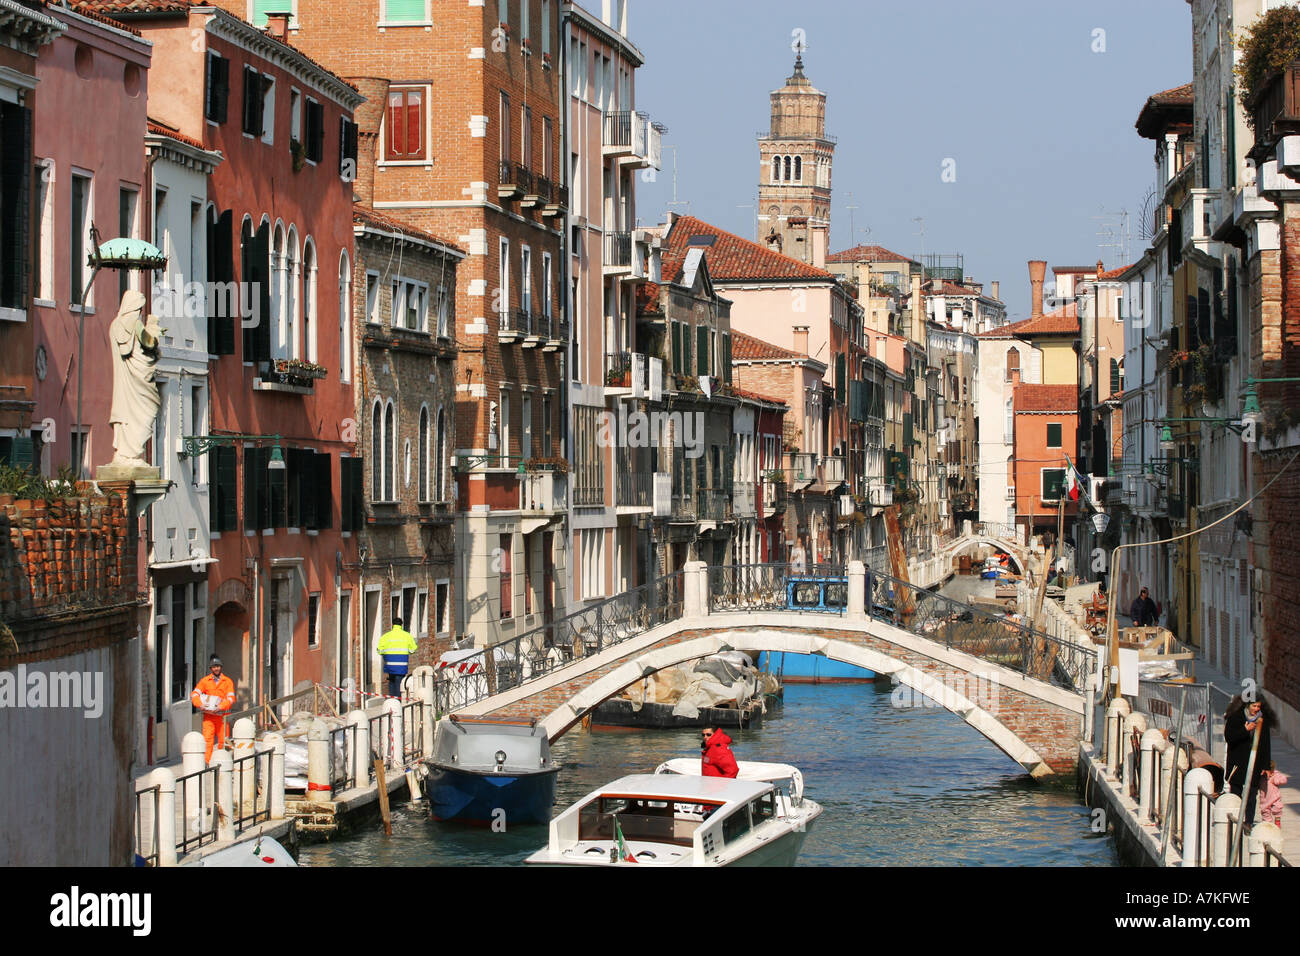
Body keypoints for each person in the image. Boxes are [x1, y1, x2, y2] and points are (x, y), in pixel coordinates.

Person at [1224, 695, 1275, 827]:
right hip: (1238, 762)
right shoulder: (1236, 717)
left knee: (1252, 794)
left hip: (1254, 765)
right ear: (1247, 706)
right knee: (1236, 791)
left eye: (1258, 706)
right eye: (1254, 706)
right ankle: (1235, 818)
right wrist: (1245, 730)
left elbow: (1265, 744)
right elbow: (1230, 737)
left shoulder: (1262, 720)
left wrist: (1266, 766)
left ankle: (1248, 821)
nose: (1256, 709)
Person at [190, 655, 235, 762]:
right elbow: (194, 694)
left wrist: (221, 706)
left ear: (221, 667)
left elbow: (231, 698)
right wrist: (200, 704)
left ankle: (222, 761)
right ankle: (207, 762)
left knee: (223, 740)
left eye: (218, 666)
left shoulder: (227, 681)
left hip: (223, 717)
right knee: (207, 740)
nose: (216, 668)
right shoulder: (205, 681)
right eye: (214, 667)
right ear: (211, 668)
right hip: (209, 717)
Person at [376, 615, 417, 698]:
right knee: (400, 684)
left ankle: (392, 701)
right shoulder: (407, 636)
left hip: (390, 665)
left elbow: (379, 650)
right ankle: (398, 702)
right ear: (401, 625)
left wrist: (387, 653)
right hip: (401, 665)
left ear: (393, 625)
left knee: (391, 682)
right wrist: (406, 651)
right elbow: (413, 650)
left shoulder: (385, 636)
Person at [1259, 762, 1289, 828]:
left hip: (1275, 798)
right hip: (1265, 799)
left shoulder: (1276, 774)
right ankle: (1267, 825)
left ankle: (1277, 822)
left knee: (1277, 809)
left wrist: (1276, 780)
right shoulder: (1261, 776)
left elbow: (1284, 780)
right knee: (1265, 812)